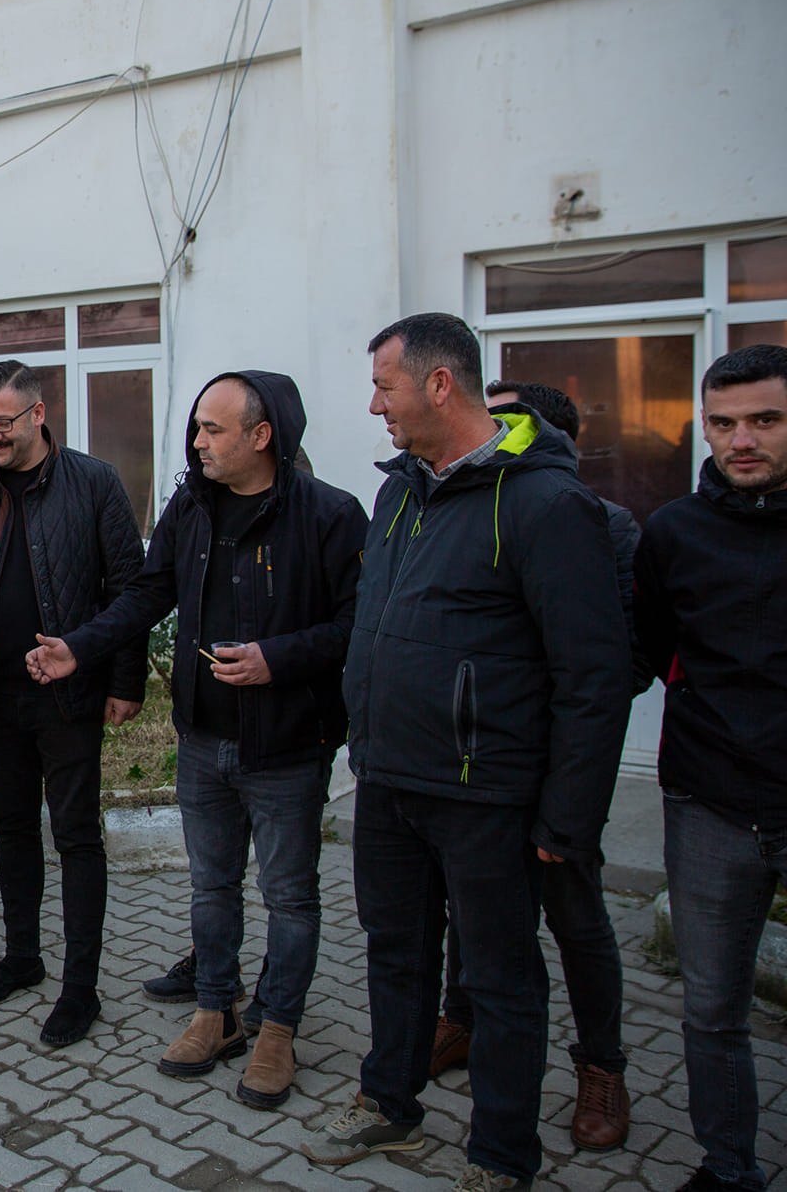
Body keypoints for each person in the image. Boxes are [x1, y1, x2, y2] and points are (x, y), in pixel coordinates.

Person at [304, 315, 631, 1192]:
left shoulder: (544, 504)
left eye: (386, 386)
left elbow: (593, 678)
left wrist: (569, 815)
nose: (375, 405)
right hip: (390, 777)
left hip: (488, 791)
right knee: (395, 952)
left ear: (440, 384)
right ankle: (389, 1104)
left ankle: (500, 1154)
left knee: (500, 978)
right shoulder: (400, 491)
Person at [28, 372, 366, 1104]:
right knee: (211, 887)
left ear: (262, 434)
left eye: (212, 429)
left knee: (290, 895)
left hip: (288, 743)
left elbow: (354, 627)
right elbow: (149, 592)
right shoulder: (192, 506)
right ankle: (218, 1010)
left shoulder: (332, 515)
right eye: (197, 428)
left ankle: (277, 1025)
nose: (197, 441)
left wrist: (277, 659)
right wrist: (80, 648)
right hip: (205, 738)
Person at [411, 378, 645, 1150]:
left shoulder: (599, 523)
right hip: (472, 773)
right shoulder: (460, 510)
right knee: (465, 914)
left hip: (550, 771)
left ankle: (600, 1066)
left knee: (576, 920)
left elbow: (615, 667)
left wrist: (569, 794)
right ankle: (462, 1020)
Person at [0, 360, 147, 1049]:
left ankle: (80, 985)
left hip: (67, 694)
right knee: (11, 828)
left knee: (75, 836)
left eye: (2, 422)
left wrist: (125, 681)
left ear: (38, 414)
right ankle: (23, 955)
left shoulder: (93, 482)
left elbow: (128, 586)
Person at [634, 344, 787, 1192]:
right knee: (711, 1008)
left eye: (765, 420)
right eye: (723, 423)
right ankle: (730, 1167)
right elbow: (655, 646)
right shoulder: (676, 532)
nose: (741, 440)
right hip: (710, 802)